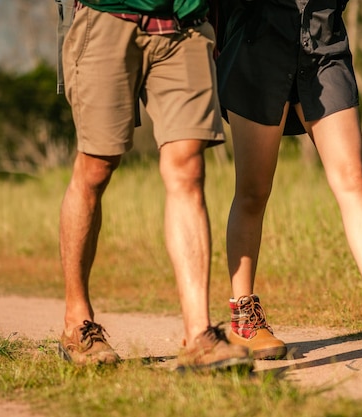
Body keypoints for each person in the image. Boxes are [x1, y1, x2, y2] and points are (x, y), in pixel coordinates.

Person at [213, 0, 362, 359]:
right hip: (258, 40)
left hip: (322, 39)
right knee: (253, 191)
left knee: (353, 178)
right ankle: (244, 321)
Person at [55, 0, 254, 372]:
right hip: (105, 15)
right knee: (97, 166)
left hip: (185, 23)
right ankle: (77, 321)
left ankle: (200, 335)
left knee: (188, 169)